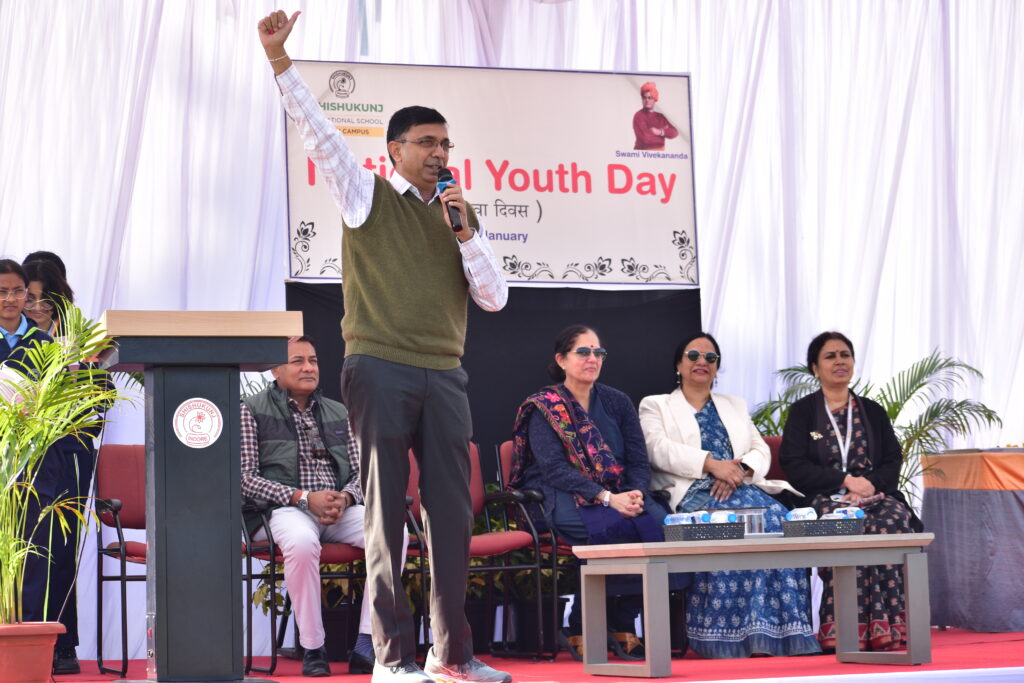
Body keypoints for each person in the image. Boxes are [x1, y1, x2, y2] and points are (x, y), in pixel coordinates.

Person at [258, 11, 510, 683]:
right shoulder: (364, 193)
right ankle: (393, 657)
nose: (439, 153)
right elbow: (317, 131)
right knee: (383, 512)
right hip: (379, 367)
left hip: (445, 373)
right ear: (395, 149)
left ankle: (452, 655)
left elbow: (494, 298)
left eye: (446, 144)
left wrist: (464, 233)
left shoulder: (460, 214)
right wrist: (280, 60)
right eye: (426, 142)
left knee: (452, 515)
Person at [638, 332, 819, 658]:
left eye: (710, 358)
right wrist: (712, 465)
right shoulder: (656, 405)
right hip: (694, 494)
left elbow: (760, 448)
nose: (702, 362)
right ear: (678, 364)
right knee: (734, 524)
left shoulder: (734, 405)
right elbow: (657, 449)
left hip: (740, 486)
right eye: (693, 356)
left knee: (779, 521)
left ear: (717, 367)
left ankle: (778, 633)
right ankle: (731, 636)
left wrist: (741, 470)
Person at [509, 325, 683, 661]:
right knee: (607, 530)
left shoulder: (617, 401)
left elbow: (638, 459)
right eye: (583, 352)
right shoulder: (544, 407)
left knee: (660, 530)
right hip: (562, 494)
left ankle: (621, 619)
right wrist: (607, 498)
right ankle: (583, 624)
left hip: (623, 492)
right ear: (561, 359)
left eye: (598, 352)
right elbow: (554, 470)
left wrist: (635, 493)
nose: (593, 358)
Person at [241, 336, 403, 677]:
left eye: (313, 361)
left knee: (392, 531)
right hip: (280, 510)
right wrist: (303, 498)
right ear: (275, 370)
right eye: (297, 361)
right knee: (302, 541)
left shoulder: (339, 411)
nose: (308, 368)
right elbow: (245, 479)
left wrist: (345, 498)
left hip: (336, 508)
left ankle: (366, 644)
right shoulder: (250, 409)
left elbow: (362, 472)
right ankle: (314, 647)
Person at [780, 331, 922, 652]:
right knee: (845, 525)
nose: (839, 361)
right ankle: (844, 629)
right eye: (830, 356)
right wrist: (845, 481)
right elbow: (794, 464)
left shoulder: (872, 410)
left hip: (874, 495)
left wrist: (868, 486)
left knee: (891, 521)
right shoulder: (803, 412)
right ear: (815, 368)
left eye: (845, 355)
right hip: (824, 498)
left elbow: (892, 459)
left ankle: (890, 626)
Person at [23, 259, 74, 336]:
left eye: (46, 299)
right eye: (29, 300)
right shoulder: (6, 334)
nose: (37, 308)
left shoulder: (78, 336)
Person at [632, 81, 678, 151]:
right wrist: (665, 131)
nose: (647, 100)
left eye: (650, 98)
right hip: (643, 154)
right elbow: (645, 139)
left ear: (654, 99)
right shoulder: (638, 115)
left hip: (659, 154)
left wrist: (660, 131)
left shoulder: (660, 117)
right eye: (644, 98)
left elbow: (675, 133)